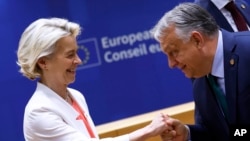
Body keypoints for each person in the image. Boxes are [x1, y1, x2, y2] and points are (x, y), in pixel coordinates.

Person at [17, 17, 171, 141]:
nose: (78, 60)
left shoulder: (76, 96)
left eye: (76, 53)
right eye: (70, 55)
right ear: (43, 62)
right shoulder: (39, 111)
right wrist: (149, 131)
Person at [151, 2, 250, 141]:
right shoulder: (200, 81)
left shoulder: (247, 51)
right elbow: (217, 133)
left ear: (197, 40)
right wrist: (187, 134)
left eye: (174, 52)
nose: (171, 64)